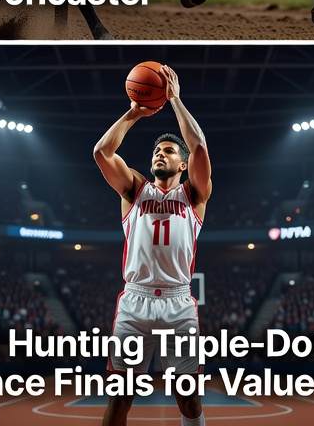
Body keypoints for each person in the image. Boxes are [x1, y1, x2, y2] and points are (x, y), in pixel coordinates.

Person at [92, 65, 210, 426]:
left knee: (188, 400)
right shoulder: (134, 190)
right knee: (120, 397)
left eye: (170, 150)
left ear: (183, 163)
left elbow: (200, 145)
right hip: (136, 300)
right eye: (157, 150)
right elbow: (101, 152)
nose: (161, 154)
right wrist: (132, 113)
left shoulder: (193, 194)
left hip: (178, 301)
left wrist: (175, 100)